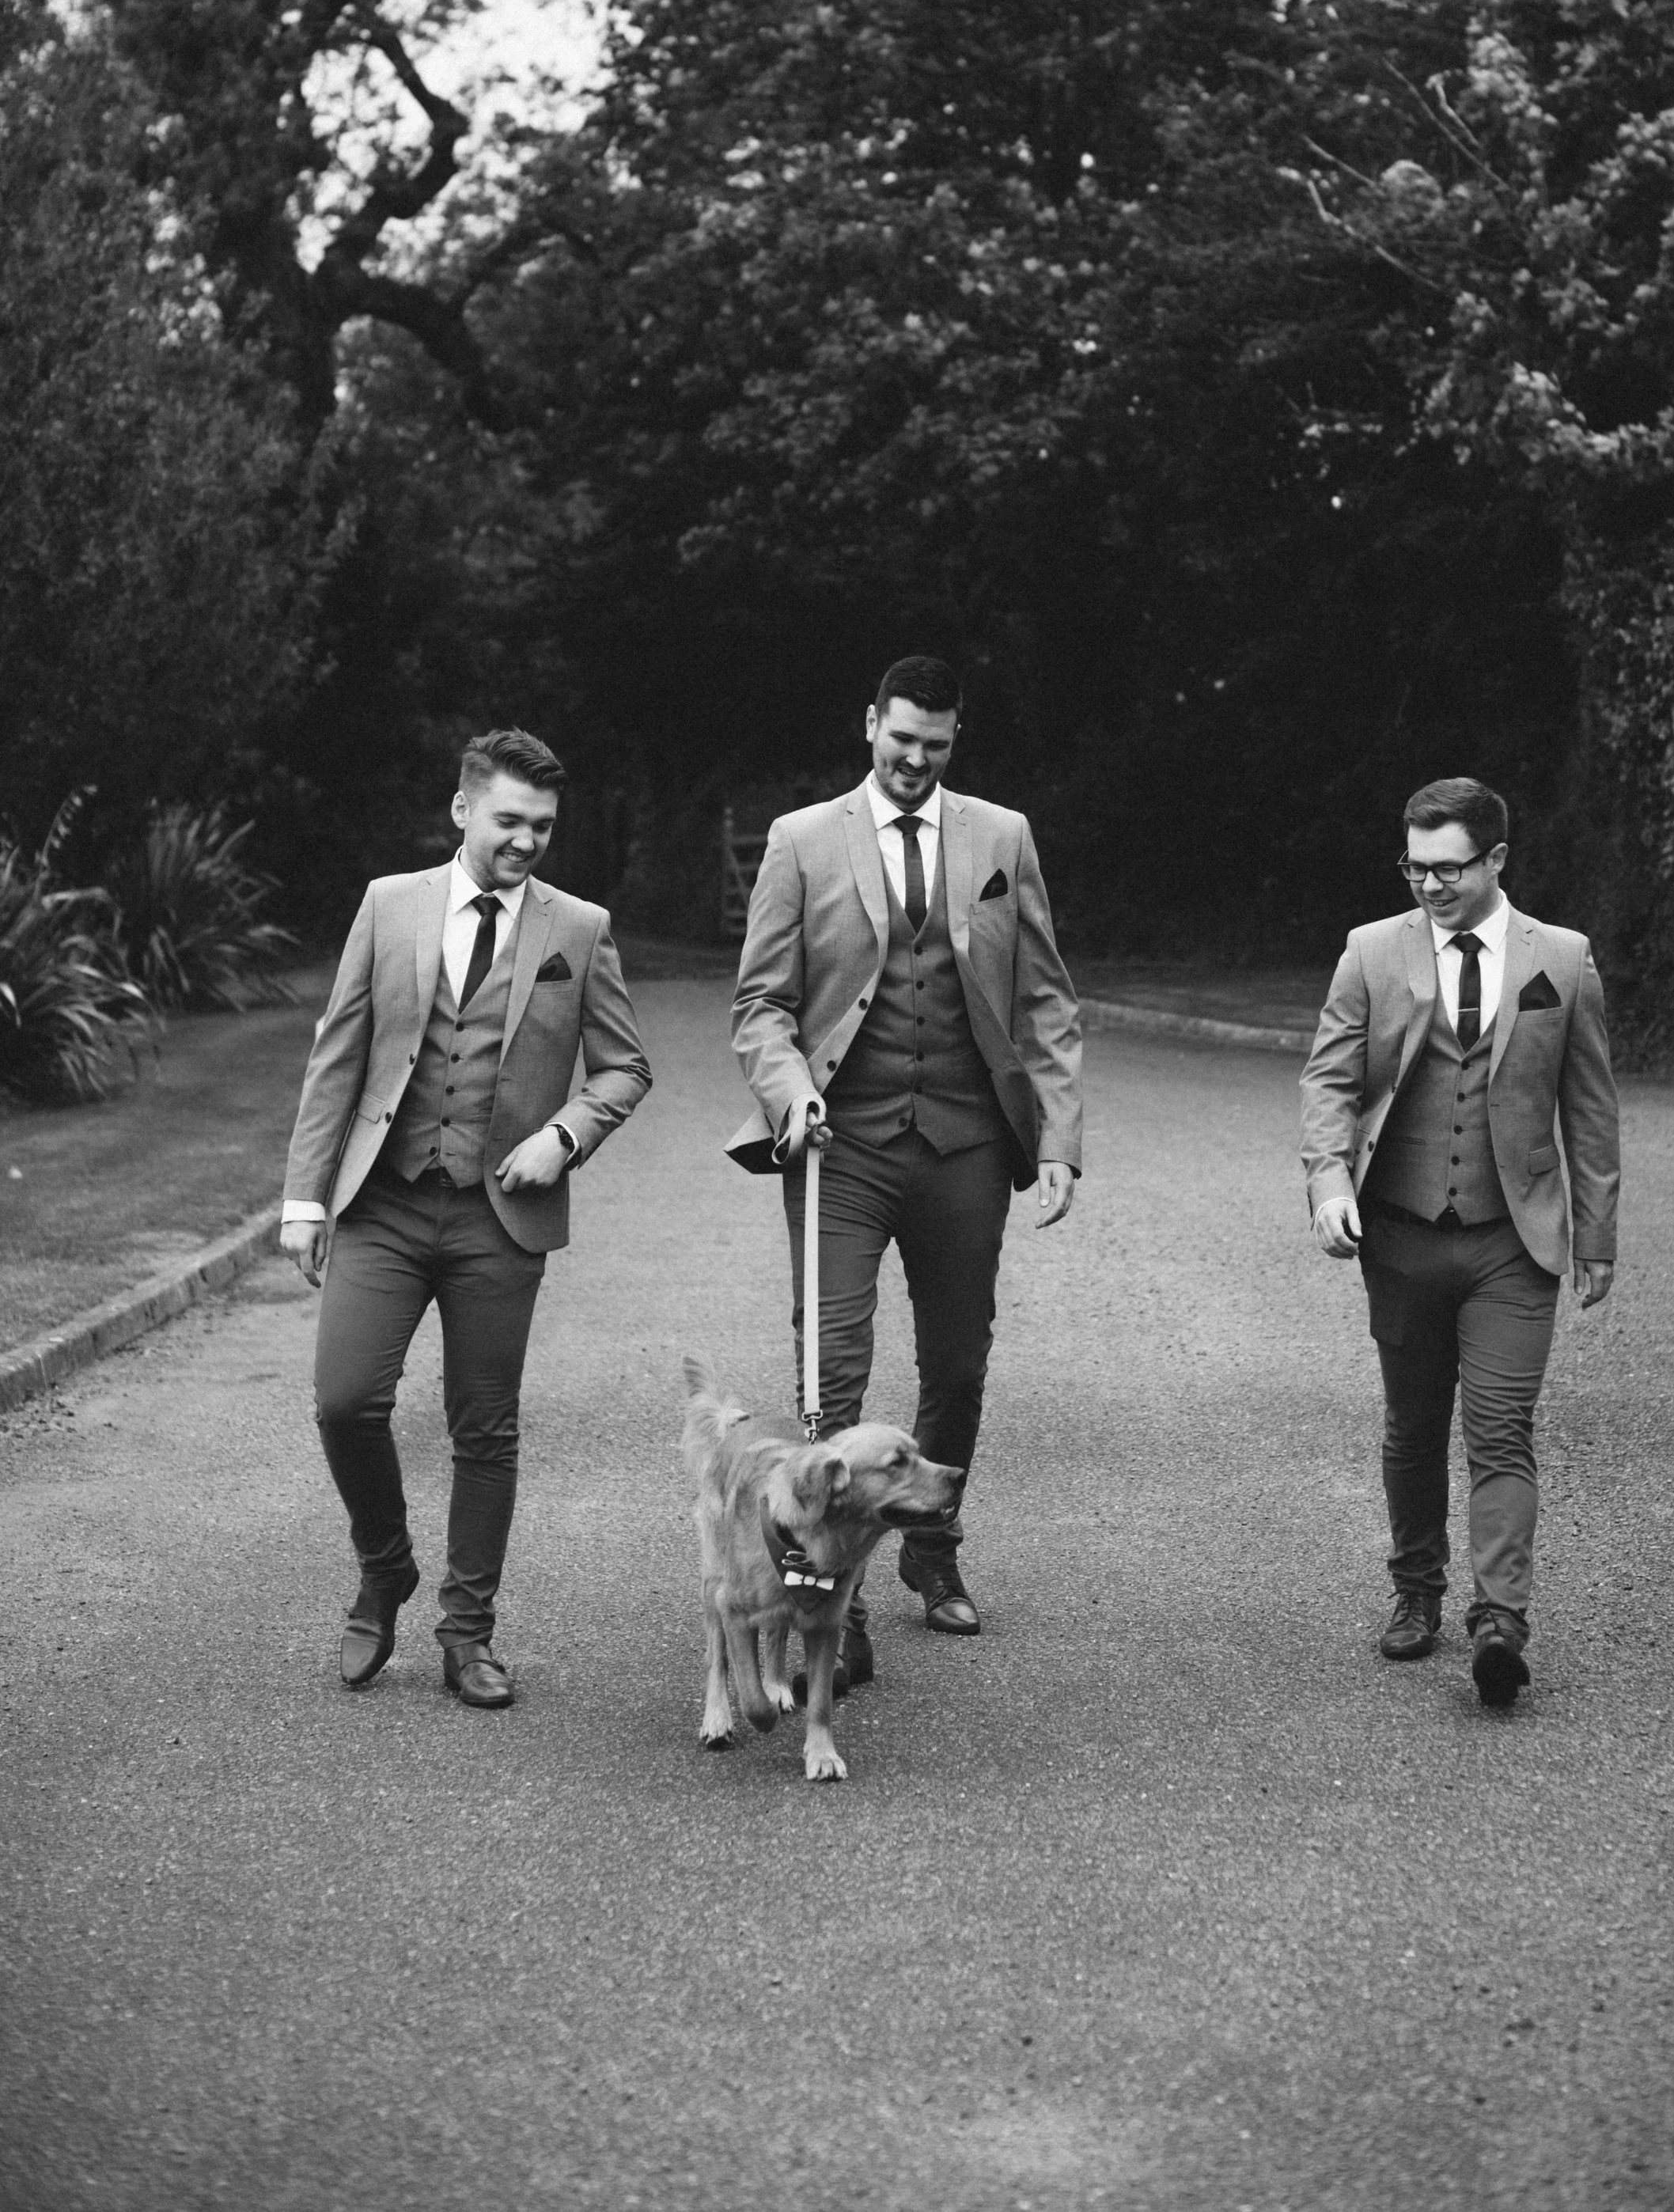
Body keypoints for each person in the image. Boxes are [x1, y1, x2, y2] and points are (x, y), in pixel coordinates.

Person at [728, 654, 1082, 1681]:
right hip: (841, 1145)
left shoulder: (1001, 837)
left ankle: (931, 1548)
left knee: (959, 1365)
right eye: (901, 739)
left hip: (967, 1143)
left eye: (936, 743)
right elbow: (760, 1005)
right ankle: (832, 1600)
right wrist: (790, 1090)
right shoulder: (800, 841)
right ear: (869, 723)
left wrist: (1056, 1139)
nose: (916, 758)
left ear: (954, 739)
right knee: (832, 1373)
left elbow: (1046, 998)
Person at [279, 729, 651, 1707]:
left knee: (484, 1430)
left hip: (501, 1219)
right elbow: (339, 1054)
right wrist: (305, 1197)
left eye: (543, 826)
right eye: (510, 821)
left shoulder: (579, 928)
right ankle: (384, 1566)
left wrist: (564, 1137)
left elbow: (624, 1067)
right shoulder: (389, 905)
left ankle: (466, 1631)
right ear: (462, 811)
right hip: (387, 1204)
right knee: (343, 1402)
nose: (528, 841)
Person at [1301, 775, 1618, 1708]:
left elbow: (1590, 1109)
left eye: (1447, 869)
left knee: (1500, 1426)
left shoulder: (1560, 959)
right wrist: (1326, 1183)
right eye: (1414, 867)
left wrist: (1595, 1233)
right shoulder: (1369, 952)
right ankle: (1415, 1591)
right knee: (1412, 1424)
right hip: (1398, 1234)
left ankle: (1500, 1618)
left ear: (1496, 861)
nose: (1428, 886)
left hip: (1512, 1244)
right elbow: (1327, 1080)